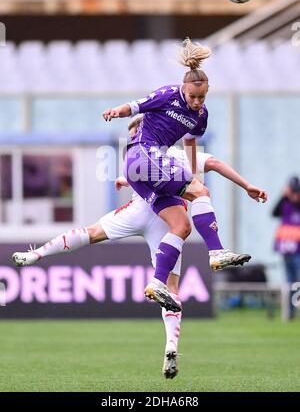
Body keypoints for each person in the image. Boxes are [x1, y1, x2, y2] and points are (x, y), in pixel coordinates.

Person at [12, 115, 266, 379]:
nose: (135, 136)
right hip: (166, 219)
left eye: (136, 131)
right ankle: (171, 346)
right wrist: (246, 185)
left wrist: (123, 179)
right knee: (172, 285)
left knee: (92, 232)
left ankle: (36, 253)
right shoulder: (176, 155)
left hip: (140, 211)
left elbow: (133, 174)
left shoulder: (139, 156)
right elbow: (214, 163)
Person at [102, 38, 268, 312]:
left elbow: (191, 143)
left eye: (202, 97)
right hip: (141, 153)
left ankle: (157, 283)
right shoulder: (168, 94)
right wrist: (115, 111)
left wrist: (193, 175)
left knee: (181, 224)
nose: (196, 101)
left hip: (140, 169)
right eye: (192, 96)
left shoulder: (200, 115)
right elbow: (134, 107)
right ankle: (217, 252)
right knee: (201, 193)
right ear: (183, 88)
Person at [273, 176, 300, 319]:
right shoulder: (285, 203)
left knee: (298, 281)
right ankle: (290, 312)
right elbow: (274, 213)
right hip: (286, 250)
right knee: (290, 283)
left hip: (298, 250)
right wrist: (283, 197)